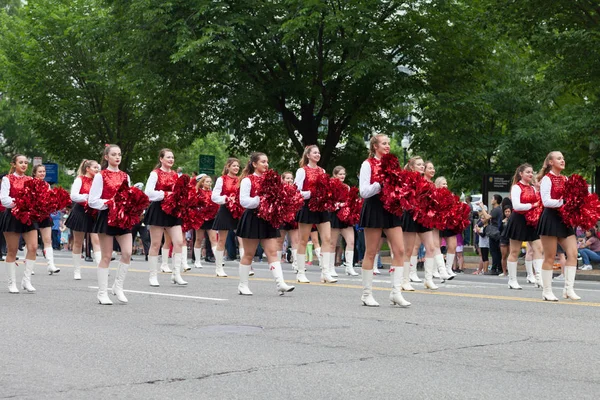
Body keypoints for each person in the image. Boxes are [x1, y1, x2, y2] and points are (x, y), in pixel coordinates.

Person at [358, 134, 410, 307]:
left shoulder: (393, 165)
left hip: (391, 208)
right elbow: (363, 192)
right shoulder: (367, 164)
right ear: (375, 146)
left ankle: (396, 293)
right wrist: (381, 183)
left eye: (388, 143)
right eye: (384, 143)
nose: (388, 146)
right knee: (371, 252)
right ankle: (366, 294)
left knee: (400, 250)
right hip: (374, 207)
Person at [236, 152, 295, 295]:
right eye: (262, 162)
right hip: (253, 218)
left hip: (268, 219)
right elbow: (243, 201)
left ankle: (280, 283)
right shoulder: (247, 180)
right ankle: (242, 285)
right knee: (249, 254)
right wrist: (260, 200)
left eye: (267, 162)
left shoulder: (271, 180)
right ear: (254, 164)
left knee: (272, 252)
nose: (266, 164)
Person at [89, 144, 136, 305]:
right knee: (107, 256)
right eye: (114, 154)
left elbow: (128, 196)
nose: (117, 157)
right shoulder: (100, 176)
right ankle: (102, 292)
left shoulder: (125, 176)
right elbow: (92, 201)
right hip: (107, 216)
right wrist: (110, 203)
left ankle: (118, 286)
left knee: (127, 252)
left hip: (123, 217)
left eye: (119, 154)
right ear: (106, 157)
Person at [536, 151, 580, 301]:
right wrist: (565, 202)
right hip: (550, 218)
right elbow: (546, 201)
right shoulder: (547, 179)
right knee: (550, 256)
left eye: (563, 158)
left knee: (573, 253)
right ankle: (546, 291)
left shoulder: (565, 178)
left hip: (564, 219)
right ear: (550, 162)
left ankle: (569, 289)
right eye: (559, 158)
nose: (563, 160)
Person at [144, 148, 188, 287]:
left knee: (179, 241)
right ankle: (153, 275)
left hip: (173, 211)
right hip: (158, 209)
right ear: (161, 159)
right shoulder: (155, 174)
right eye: (168, 157)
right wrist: (165, 194)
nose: (171, 159)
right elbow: (148, 193)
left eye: (172, 157)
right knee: (156, 244)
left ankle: (176, 274)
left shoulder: (176, 175)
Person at [294, 145, 336, 284]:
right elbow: (296, 191)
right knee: (303, 240)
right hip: (306, 206)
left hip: (321, 206)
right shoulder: (302, 171)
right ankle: (300, 272)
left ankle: (325, 272)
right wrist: (311, 194)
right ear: (308, 155)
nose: (318, 155)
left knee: (327, 238)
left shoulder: (322, 171)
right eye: (315, 152)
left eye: (319, 153)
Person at [401, 157, 440, 291]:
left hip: (424, 216)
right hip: (411, 215)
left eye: (423, 164)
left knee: (431, 247)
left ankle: (428, 279)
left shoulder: (427, 182)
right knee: (408, 250)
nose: (422, 166)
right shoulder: (407, 179)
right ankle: (405, 280)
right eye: (418, 164)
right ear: (412, 167)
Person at [1, 154, 38, 293]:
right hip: (12, 216)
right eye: (21, 162)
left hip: (28, 216)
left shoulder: (31, 180)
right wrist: (19, 203)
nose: (23, 165)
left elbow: (36, 197)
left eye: (26, 163)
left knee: (33, 247)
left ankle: (26, 280)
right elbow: (4, 199)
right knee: (12, 250)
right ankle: (12, 283)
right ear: (14, 164)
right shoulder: (7, 179)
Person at [505, 163, 544, 290]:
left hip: (532, 221)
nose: (530, 174)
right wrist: (532, 206)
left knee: (538, 248)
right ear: (521, 174)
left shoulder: (533, 188)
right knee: (515, 251)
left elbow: (540, 203)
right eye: (527, 172)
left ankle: (539, 277)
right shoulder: (516, 187)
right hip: (518, 220)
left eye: (531, 172)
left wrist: (538, 190)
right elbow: (516, 206)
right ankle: (512, 280)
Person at [66, 159, 103, 279]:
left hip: (94, 211)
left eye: (98, 168)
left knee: (96, 240)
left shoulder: (98, 181)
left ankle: (101, 267)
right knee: (78, 242)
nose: (97, 170)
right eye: (95, 168)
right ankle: (77, 270)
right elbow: (74, 195)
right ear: (87, 169)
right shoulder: (80, 179)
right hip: (80, 211)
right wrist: (87, 197)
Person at [210, 158, 241, 274]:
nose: (236, 168)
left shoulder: (241, 180)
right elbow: (214, 197)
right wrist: (227, 199)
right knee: (222, 239)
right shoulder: (221, 179)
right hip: (226, 209)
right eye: (234, 166)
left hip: (238, 210)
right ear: (228, 167)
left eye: (238, 166)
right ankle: (219, 267)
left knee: (242, 239)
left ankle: (247, 267)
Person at [328, 166, 359, 276]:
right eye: (340, 174)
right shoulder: (330, 185)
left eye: (343, 174)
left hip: (346, 216)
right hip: (334, 215)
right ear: (335, 174)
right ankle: (330, 268)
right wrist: (338, 205)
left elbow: (349, 200)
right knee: (332, 243)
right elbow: (328, 201)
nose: (342, 176)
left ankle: (349, 267)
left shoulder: (347, 187)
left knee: (351, 241)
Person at [31, 164, 60, 275]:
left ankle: (50, 265)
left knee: (47, 240)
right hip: (32, 215)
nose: (42, 173)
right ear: (34, 173)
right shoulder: (30, 183)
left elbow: (49, 199)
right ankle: (30, 265)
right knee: (31, 243)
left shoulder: (47, 185)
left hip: (44, 215)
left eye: (43, 171)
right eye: (40, 172)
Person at [195, 175, 219, 275]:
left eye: (210, 182)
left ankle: (218, 259)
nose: (209, 183)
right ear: (202, 183)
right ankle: (197, 261)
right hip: (200, 218)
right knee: (199, 239)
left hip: (211, 218)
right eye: (207, 182)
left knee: (213, 239)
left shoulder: (213, 193)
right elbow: (195, 204)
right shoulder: (198, 192)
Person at [278, 172, 299, 271]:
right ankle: (277, 263)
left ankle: (296, 264)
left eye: (291, 178)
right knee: (280, 241)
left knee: (295, 241)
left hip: (293, 217)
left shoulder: (296, 190)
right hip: (281, 217)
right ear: (282, 179)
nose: (290, 180)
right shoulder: (279, 190)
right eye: (287, 178)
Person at [488, 194, 503, 275]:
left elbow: (487, 217)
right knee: (497, 251)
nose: (491, 199)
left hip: (494, 233)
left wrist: (482, 207)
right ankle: (499, 267)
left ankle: (495, 268)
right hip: (497, 232)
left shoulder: (496, 210)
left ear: (496, 200)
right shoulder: (498, 209)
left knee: (494, 251)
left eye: (492, 198)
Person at [499, 205, 511, 277]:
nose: (507, 213)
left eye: (509, 211)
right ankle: (504, 271)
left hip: (511, 238)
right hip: (503, 238)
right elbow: (499, 229)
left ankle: (510, 271)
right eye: (506, 211)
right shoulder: (502, 220)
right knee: (504, 256)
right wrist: (502, 222)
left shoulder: (513, 220)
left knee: (511, 255)